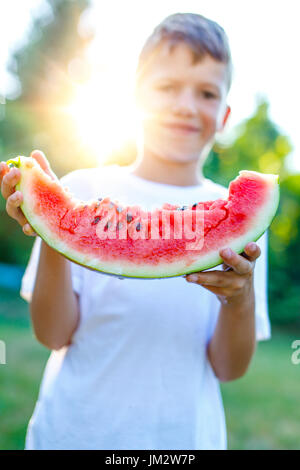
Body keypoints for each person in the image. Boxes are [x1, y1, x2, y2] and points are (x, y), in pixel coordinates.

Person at [0, 12, 270, 450]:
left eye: (205, 93)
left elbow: (228, 367)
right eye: (166, 87)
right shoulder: (83, 188)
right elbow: (53, 334)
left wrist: (238, 298)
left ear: (224, 115)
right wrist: (56, 232)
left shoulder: (245, 230)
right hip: (72, 434)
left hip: (183, 440)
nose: (185, 105)